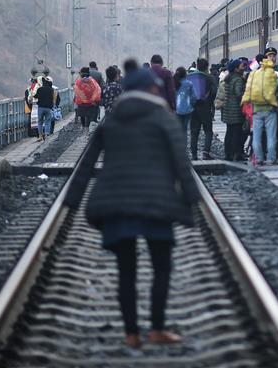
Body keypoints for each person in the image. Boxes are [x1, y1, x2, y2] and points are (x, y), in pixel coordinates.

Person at [64, 68, 199, 349]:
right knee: (161, 268)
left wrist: (72, 200)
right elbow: (181, 163)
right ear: (150, 89)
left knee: (126, 271)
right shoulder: (164, 118)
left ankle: (131, 334)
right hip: (157, 202)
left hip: (118, 205)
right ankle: (157, 329)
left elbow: (86, 163)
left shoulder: (111, 120)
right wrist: (191, 200)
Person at [241, 47, 278, 166]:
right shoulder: (274, 75)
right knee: (271, 136)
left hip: (256, 110)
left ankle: (259, 159)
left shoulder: (254, 75)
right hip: (270, 110)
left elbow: (248, 90)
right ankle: (271, 159)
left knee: (256, 136)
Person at [188, 58, 217, 160]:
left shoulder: (190, 77)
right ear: (206, 67)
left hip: (193, 108)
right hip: (205, 107)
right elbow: (214, 92)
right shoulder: (210, 77)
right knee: (208, 131)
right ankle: (206, 152)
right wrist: (210, 102)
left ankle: (194, 154)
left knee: (194, 132)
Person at [222, 59, 247, 162]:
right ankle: (236, 153)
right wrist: (246, 96)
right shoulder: (238, 79)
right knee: (237, 133)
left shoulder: (229, 78)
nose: (244, 67)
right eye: (242, 66)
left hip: (228, 110)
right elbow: (238, 94)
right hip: (236, 110)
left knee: (229, 132)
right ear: (236, 68)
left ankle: (228, 153)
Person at [74, 67, 102, 133]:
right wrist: (93, 99)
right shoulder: (92, 81)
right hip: (90, 102)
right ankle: (87, 128)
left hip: (81, 102)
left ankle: (83, 127)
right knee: (88, 115)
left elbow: (76, 90)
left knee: (82, 115)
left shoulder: (78, 81)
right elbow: (97, 90)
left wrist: (79, 98)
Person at [174, 67, 195, 136]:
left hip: (177, 109)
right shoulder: (189, 83)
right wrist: (192, 105)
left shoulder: (174, 83)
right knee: (185, 129)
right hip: (187, 109)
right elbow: (193, 97)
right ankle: (184, 142)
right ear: (185, 74)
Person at [34, 77, 55, 142]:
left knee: (40, 122)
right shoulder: (51, 90)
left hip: (41, 107)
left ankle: (40, 136)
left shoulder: (40, 89)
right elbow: (53, 98)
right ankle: (46, 135)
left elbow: (35, 96)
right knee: (47, 122)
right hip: (48, 108)